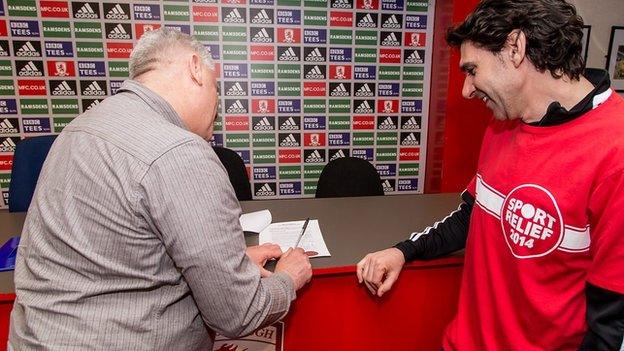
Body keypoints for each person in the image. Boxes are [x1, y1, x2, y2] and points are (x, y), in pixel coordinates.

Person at [9, 28, 312, 350]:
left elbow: (117, 254)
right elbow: (239, 313)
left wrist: (224, 266)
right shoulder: (180, 152)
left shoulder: (81, 127)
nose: (218, 106)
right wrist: (287, 279)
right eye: (215, 88)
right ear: (195, 68)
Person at [357, 1, 624, 350]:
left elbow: (613, 326)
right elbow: (474, 215)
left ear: (515, 48)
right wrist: (404, 251)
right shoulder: (503, 123)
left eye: (472, 69)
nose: (467, 90)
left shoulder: (615, 149)